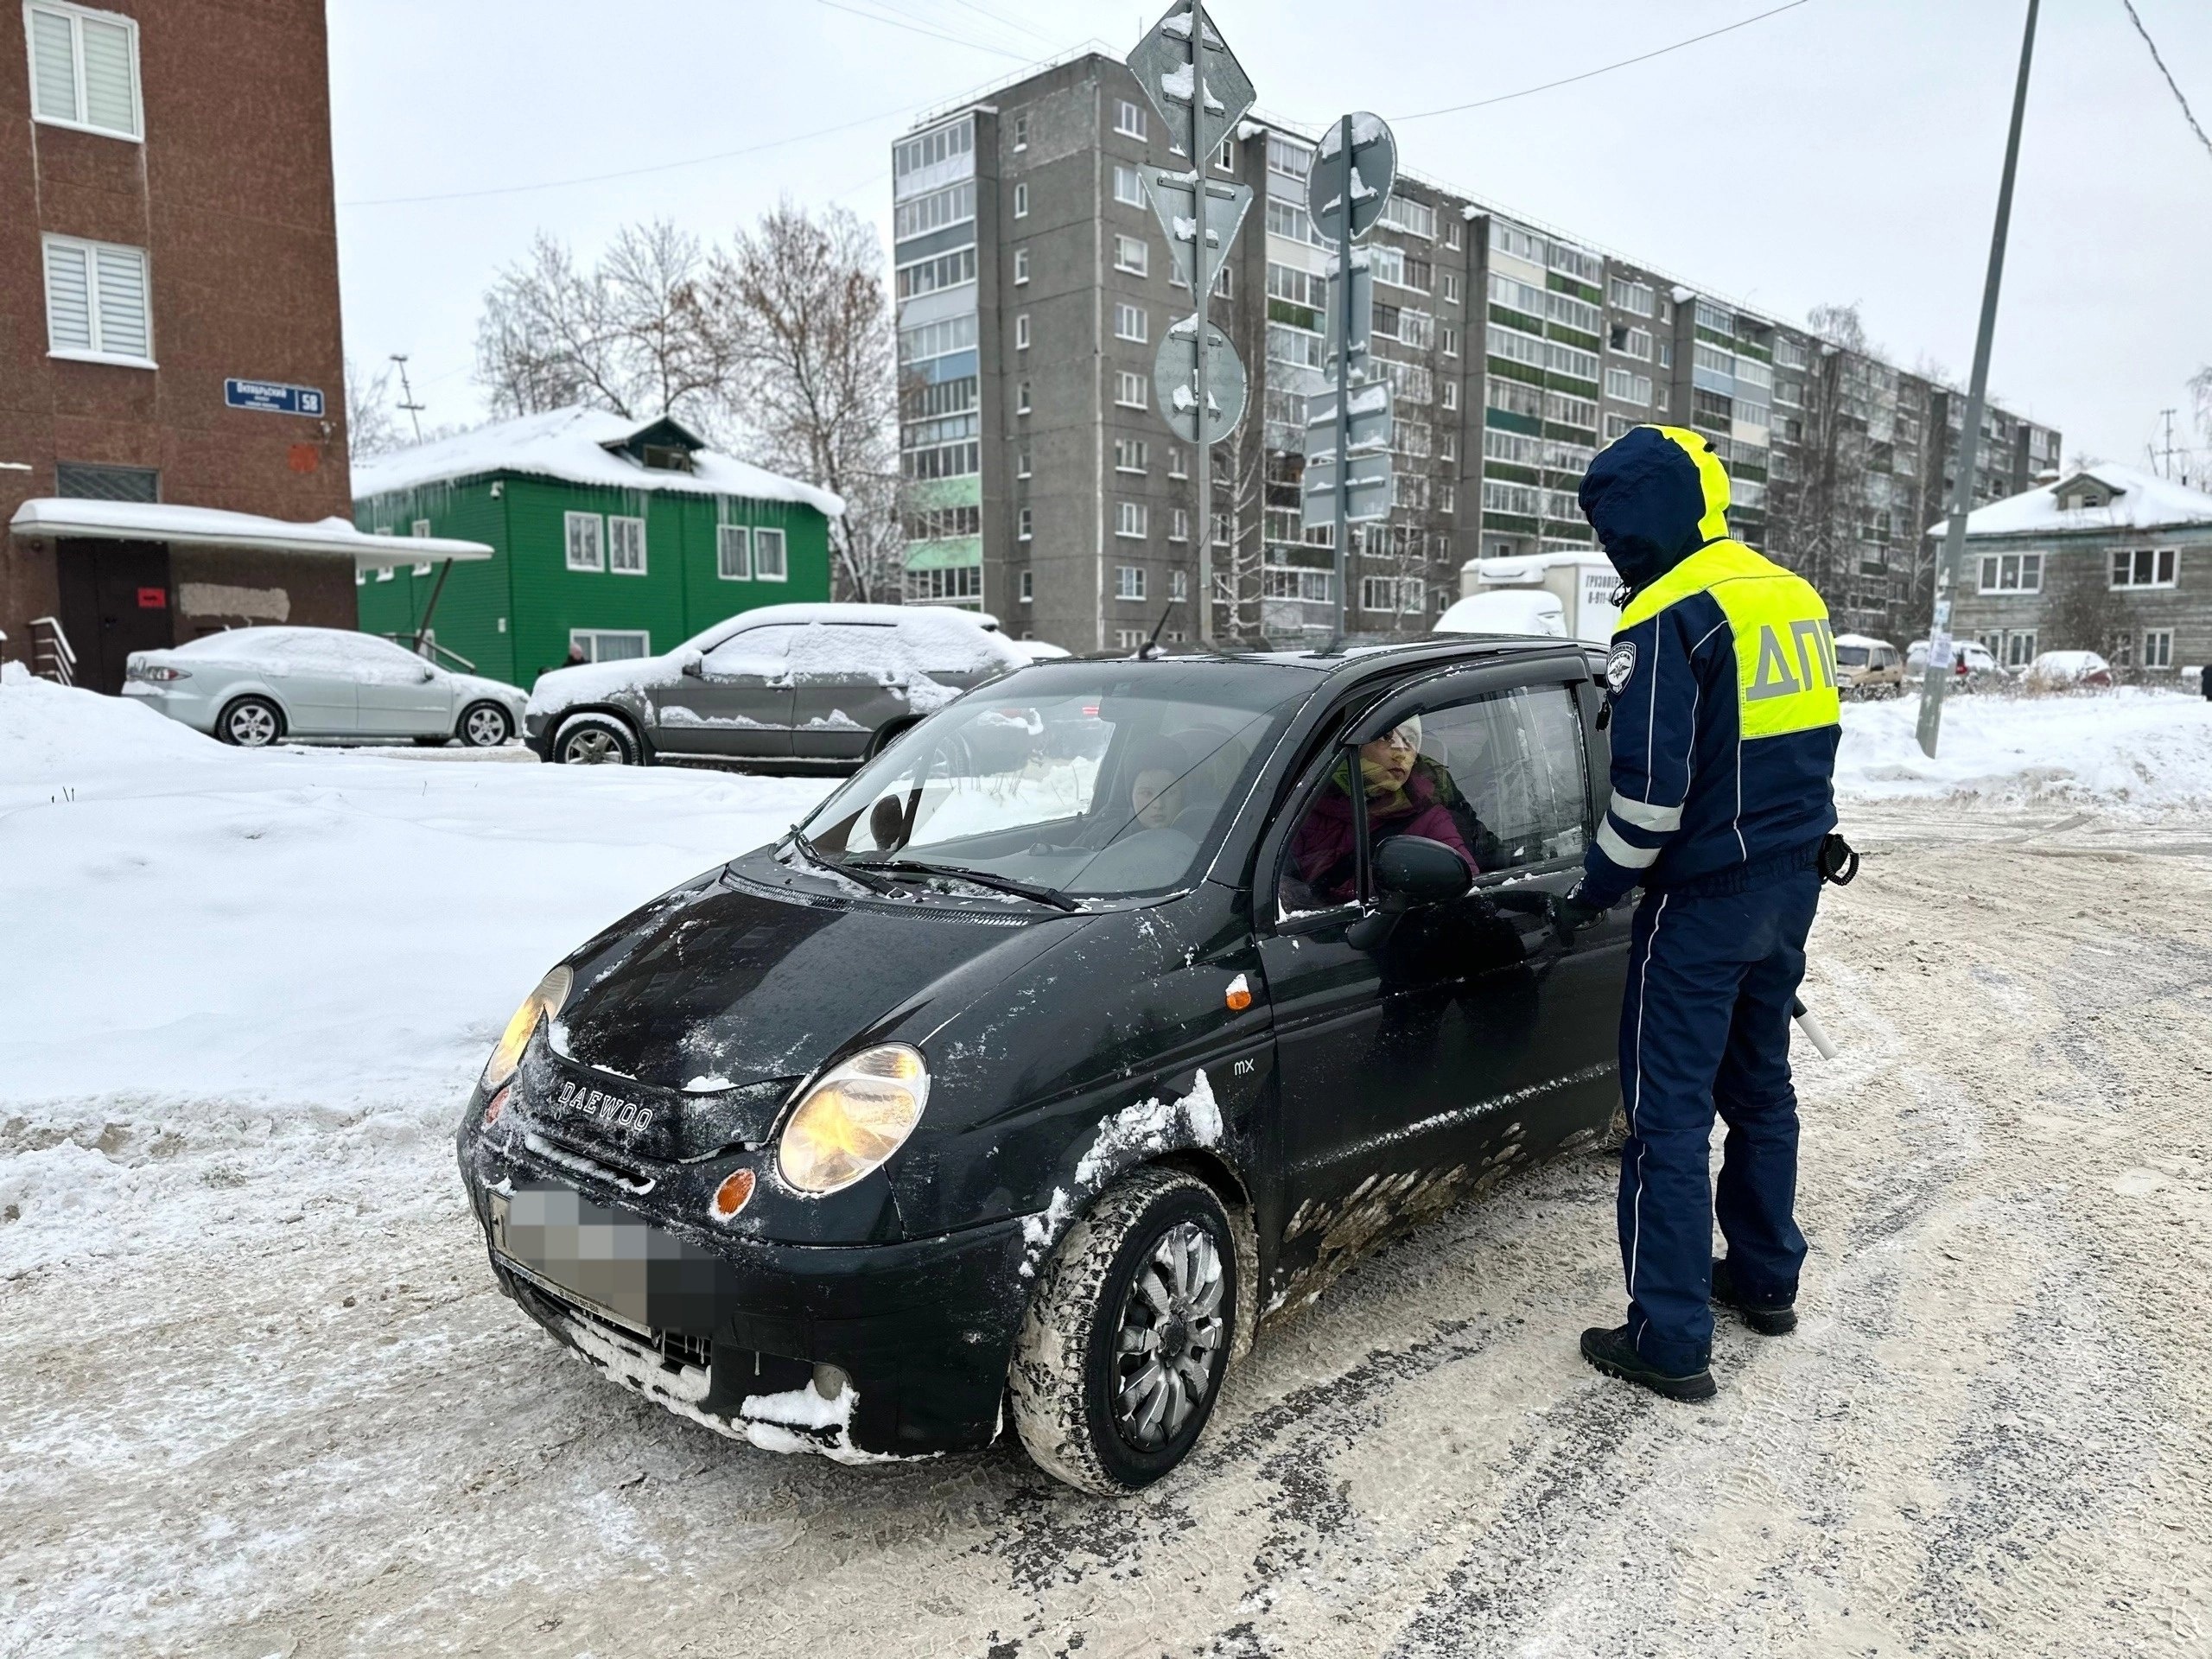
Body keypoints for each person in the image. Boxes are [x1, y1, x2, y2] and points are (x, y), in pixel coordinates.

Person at [1559, 423, 1842, 1402]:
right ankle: (1765, 1278)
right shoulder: (1789, 593)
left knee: (1666, 1120)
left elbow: (1646, 802)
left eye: (1606, 524)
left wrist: (1590, 891)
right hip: (1791, 883)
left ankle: (1669, 1337)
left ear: (1632, 518)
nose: (1606, 546)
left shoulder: (1667, 613)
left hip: (1704, 900)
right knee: (1760, 1087)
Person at [1288, 716, 1477, 905]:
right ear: (1356, 746)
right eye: (1386, 737)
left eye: (1410, 740)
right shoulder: (1301, 805)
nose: (1401, 753)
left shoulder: (1428, 818)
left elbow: (1464, 884)